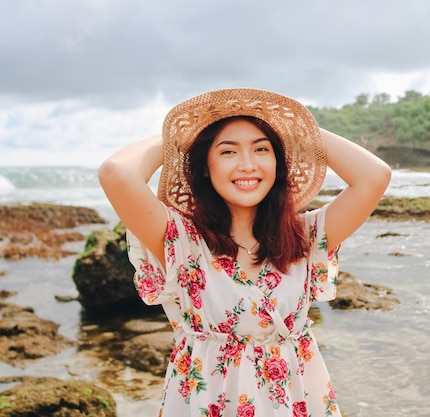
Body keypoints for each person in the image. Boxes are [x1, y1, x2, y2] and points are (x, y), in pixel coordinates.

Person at [98, 88, 392, 417]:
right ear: (206, 166)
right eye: (228, 152)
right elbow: (116, 174)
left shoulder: (304, 237)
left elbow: (374, 176)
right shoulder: (182, 241)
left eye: (262, 149)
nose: (247, 164)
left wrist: (297, 129)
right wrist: (180, 138)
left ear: (278, 163)